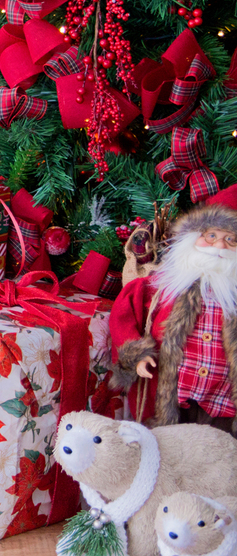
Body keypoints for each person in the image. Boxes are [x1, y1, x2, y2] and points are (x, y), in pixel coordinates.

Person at [110, 186, 237, 437]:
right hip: (172, 399)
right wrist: (136, 354)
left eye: (231, 239)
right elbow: (125, 312)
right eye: (211, 236)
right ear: (193, 238)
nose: (219, 246)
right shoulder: (162, 288)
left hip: (223, 405)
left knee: (220, 453)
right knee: (167, 446)